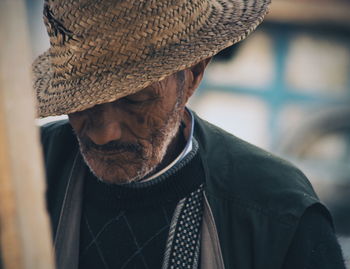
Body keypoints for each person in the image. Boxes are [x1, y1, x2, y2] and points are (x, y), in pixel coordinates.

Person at [34, 0, 346, 268]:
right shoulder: (21, 175)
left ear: (194, 74)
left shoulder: (277, 211)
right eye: (83, 102)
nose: (104, 133)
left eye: (135, 99)